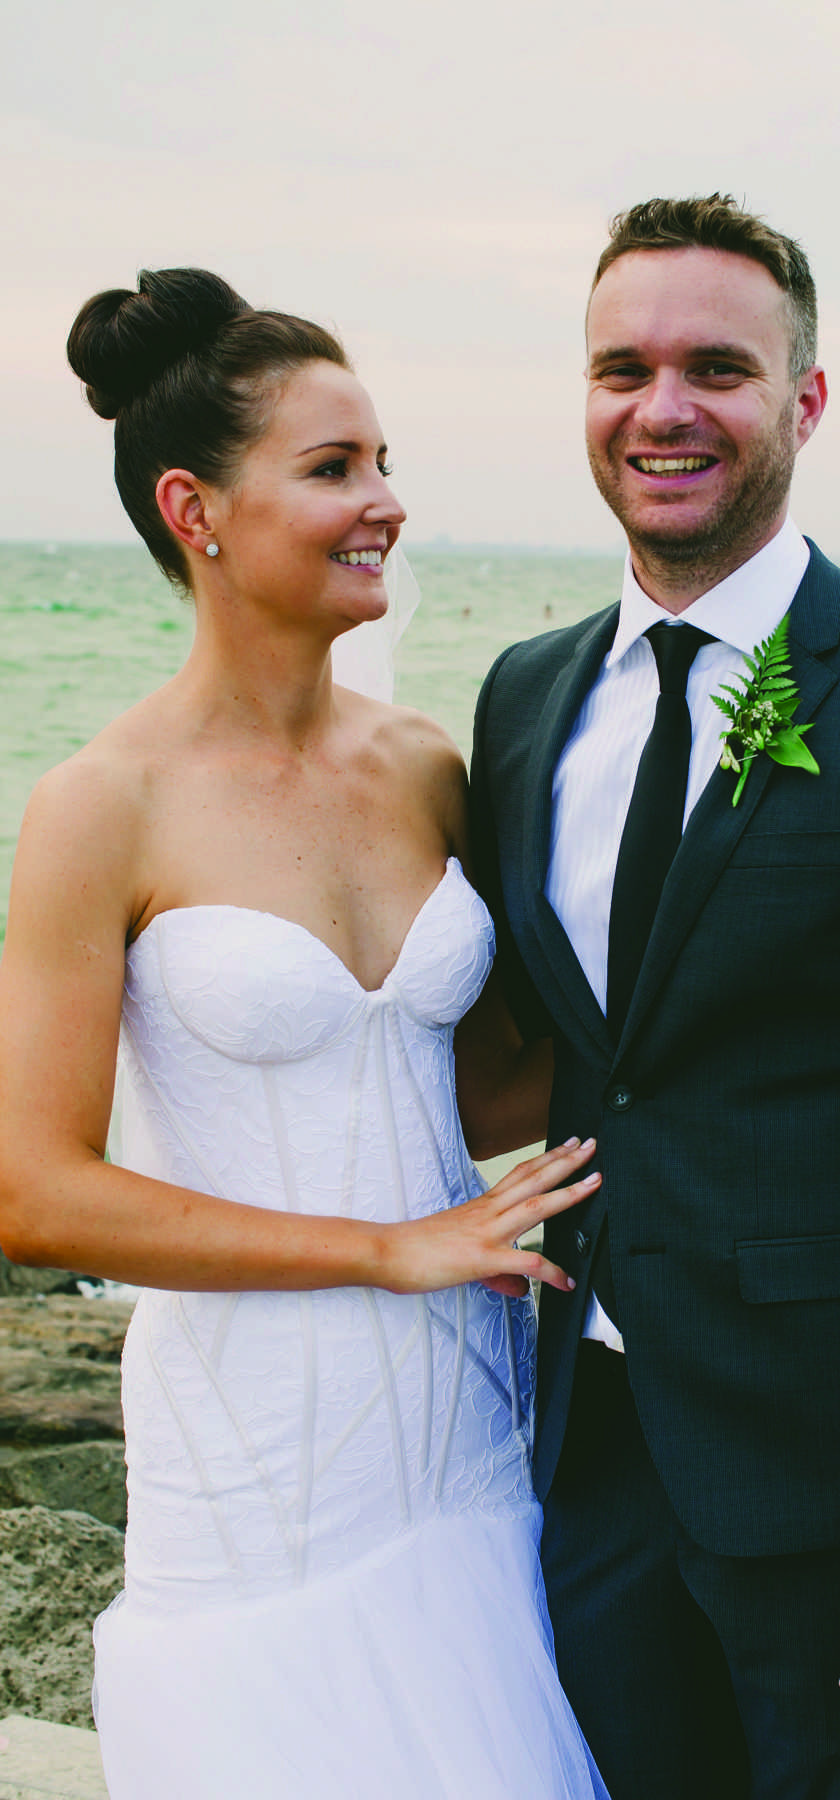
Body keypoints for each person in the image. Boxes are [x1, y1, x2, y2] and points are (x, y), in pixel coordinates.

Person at [469, 195, 840, 1798]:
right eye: (622, 369)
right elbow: (580, 1061)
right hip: (584, 1451)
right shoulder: (529, 697)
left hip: (835, 1498)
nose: (662, 410)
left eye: (716, 368)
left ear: (803, 400)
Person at [0, 268, 609, 1799]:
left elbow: (471, 1085)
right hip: (260, 1447)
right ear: (195, 511)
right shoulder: (99, 805)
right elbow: (33, 1192)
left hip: (468, 1418)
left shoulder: (426, 768)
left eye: (385, 461)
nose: (386, 502)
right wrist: (387, 1246)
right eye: (334, 468)